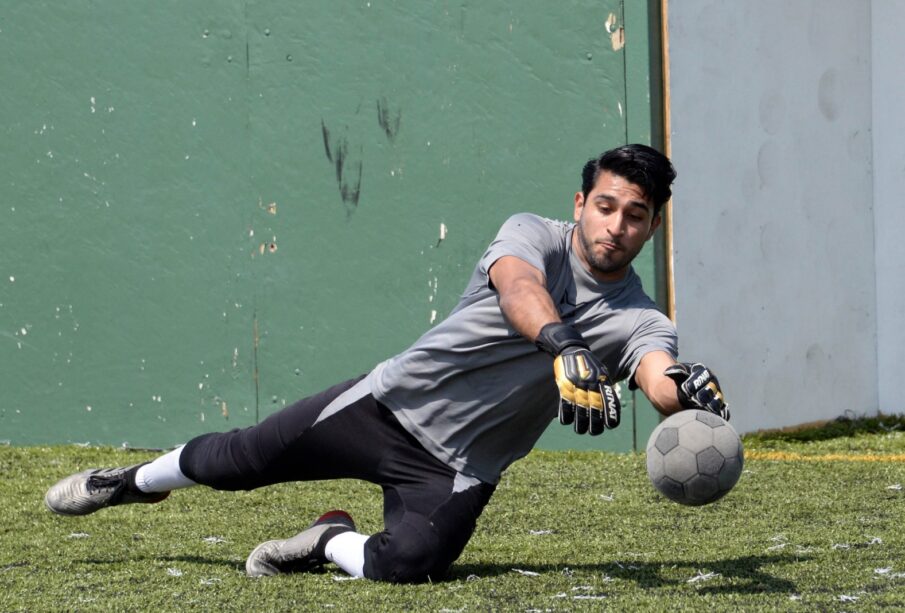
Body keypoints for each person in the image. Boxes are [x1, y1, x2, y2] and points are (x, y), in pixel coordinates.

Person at [45, 144, 728, 584]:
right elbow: (520, 289)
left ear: (653, 225)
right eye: (604, 206)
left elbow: (655, 375)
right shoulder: (533, 235)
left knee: (407, 564)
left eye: (634, 216)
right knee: (238, 460)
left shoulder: (640, 316)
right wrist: (563, 345)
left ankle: (325, 541)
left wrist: (685, 391)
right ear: (580, 203)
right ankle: (130, 481)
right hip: (386, 408)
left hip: (457, 467)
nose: (615, 226)